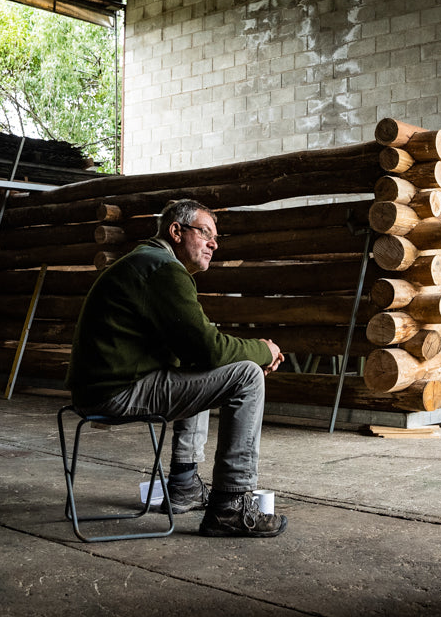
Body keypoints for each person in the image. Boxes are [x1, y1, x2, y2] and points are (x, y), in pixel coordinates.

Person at [66, 198, 288, 537]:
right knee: (247, 376)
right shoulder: (162, 270)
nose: (214, 243)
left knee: (201, 367)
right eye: (205, 233)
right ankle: (230, 505)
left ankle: (184, 484)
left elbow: (200, 349)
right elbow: (211, 348)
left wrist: (243, 354)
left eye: (216, 237)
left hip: (102, 388)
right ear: (176, 231)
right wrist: (262, 350)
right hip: (116, 392)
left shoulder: (148, 263)